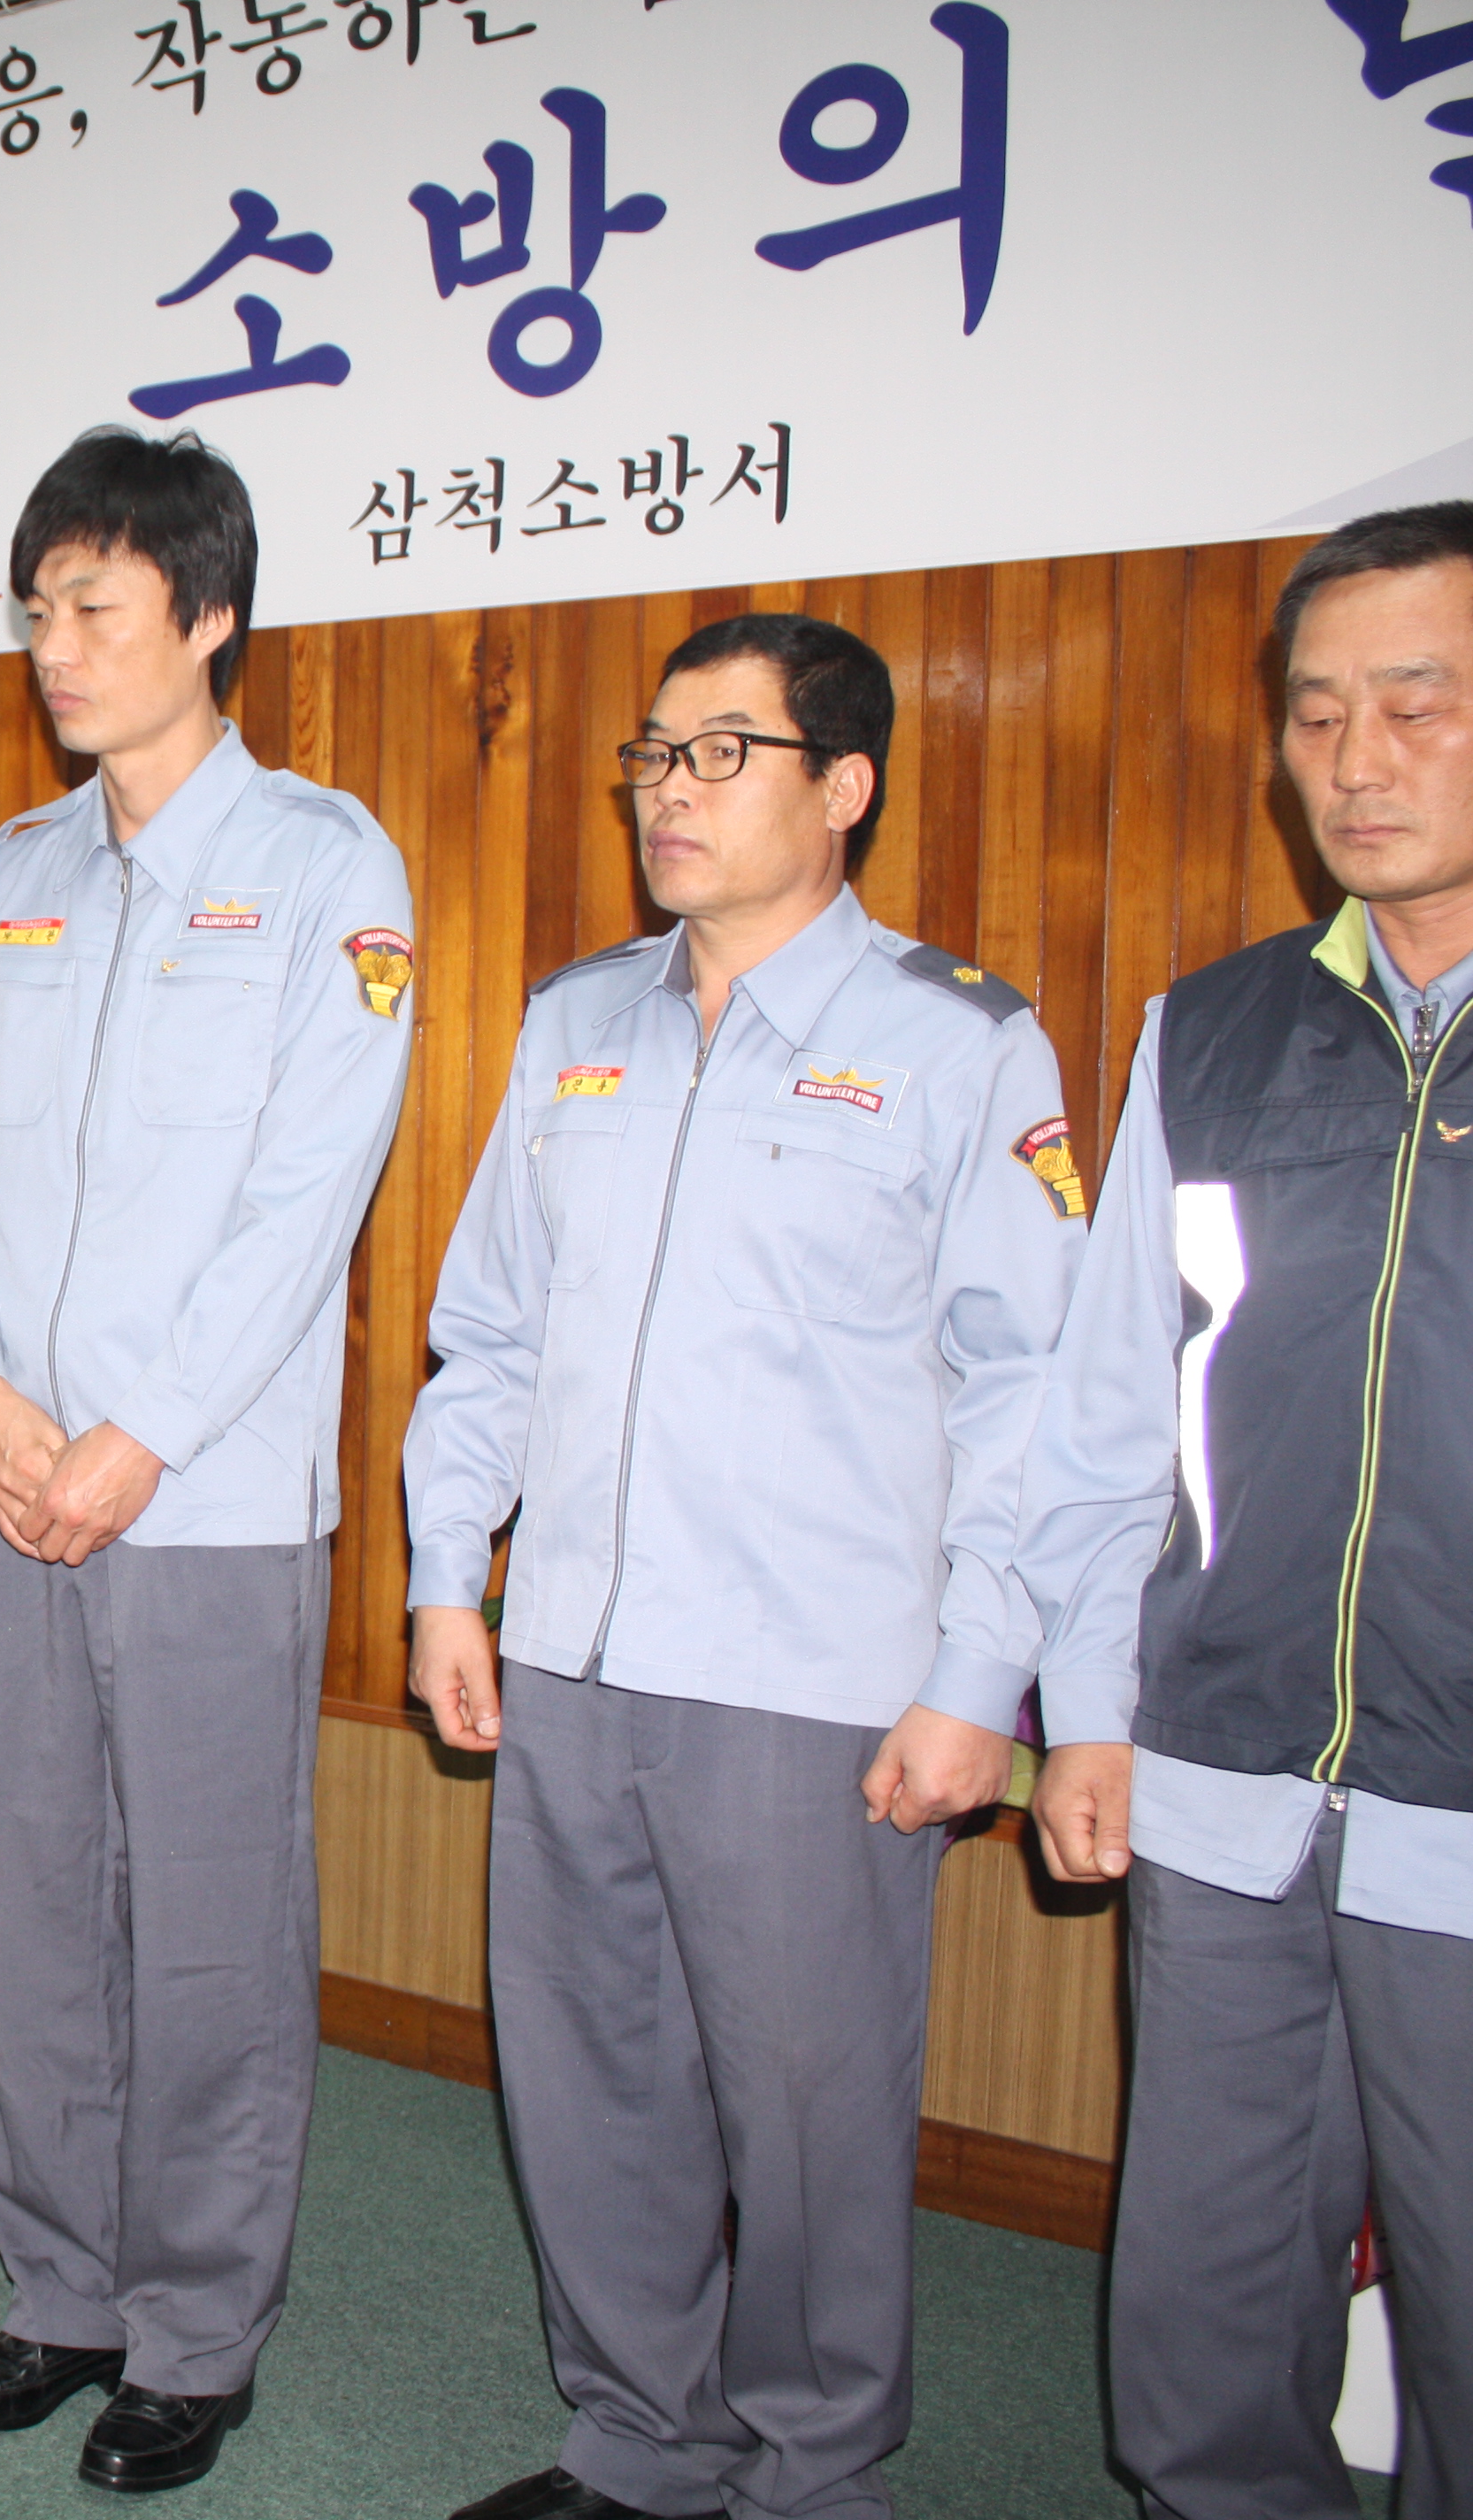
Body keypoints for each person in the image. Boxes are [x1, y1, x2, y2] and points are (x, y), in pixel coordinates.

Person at [401, 615, 1082, 2520]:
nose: (670, 790)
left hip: (811, 1681)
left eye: (723, 751)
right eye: (654, 752)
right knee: (589, 2079)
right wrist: (450, 1572)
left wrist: (981, 1672)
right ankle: (641, 2440)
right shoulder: (575, 1023)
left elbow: (1028, 1391)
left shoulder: (959, 1043)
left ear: (842, 785)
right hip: (574, 1652)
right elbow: (491, 1333)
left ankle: (808, 2471)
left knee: (806, 2117)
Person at [0, 428, 413, 2496]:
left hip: (203, 1502)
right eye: (38, 607)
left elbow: (304, 1201)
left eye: (95, 605)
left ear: (207, 616)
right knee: (34, 1908)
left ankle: (194, 2328)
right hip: (12, 1489)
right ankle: (62, 2289)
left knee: (205, 1926)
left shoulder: (326, 867)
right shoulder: (7, 877)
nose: (56, 644)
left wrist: (137, 1433)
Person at [1017, 501, 1473, 2520]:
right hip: (1219, 1781)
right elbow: (1110, 1411)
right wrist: (1087, 1703)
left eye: (1418, 705)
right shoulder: (1208, 1032)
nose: (1356, 759)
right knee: (1202, 2325)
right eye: (1316, 714)